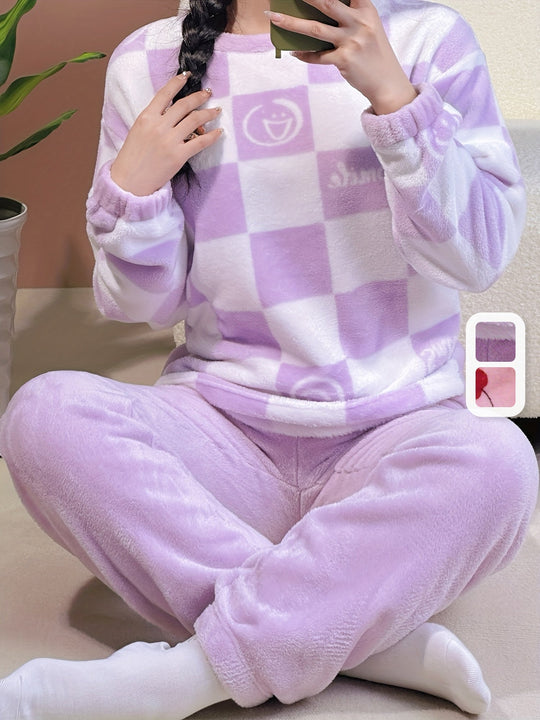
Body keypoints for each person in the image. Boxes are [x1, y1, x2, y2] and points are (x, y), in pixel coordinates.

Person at [0, 1, 537, 718]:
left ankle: (182, 679)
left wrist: (397, 102)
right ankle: (361, 638)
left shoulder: (428, 39)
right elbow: (142, 305)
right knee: (43, 416)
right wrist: (133, 189)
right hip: (224, 439)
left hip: (393, 434)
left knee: (499, 465)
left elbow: (480, 258)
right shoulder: (149, 60)